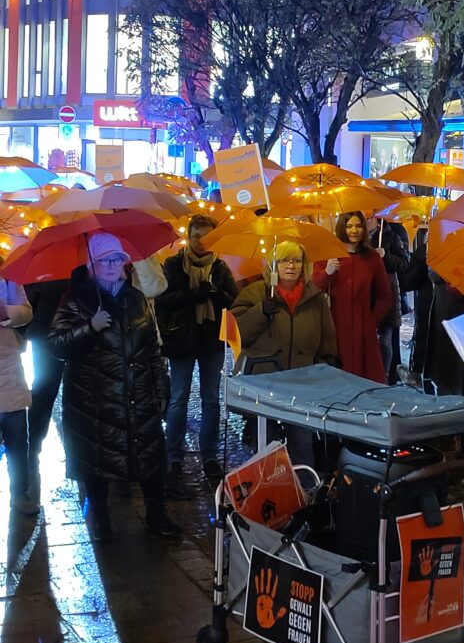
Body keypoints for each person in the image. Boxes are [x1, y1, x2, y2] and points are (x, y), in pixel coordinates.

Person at [48, 233, 178, 542]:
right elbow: (55, 344)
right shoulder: (76, 299)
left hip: (138, 393)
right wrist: (88, 327)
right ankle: (101, 519)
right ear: (92, 263)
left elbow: (152, 349)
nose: (111, 265)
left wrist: (161, 389)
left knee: (149, 457)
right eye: (104, 259)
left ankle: (156, 514)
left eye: (117, 259)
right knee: (96, 461)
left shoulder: (135, 298)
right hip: (94, 399)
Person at [231, 241, 338, 464]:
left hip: (302, 385)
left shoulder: (315, 297)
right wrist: (260, 312)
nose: (291, 266)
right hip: (264, 383)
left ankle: (304, 490)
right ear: (273, 264)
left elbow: (327, 339)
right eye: (284, 260)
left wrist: (325, 368)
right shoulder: (256, 292)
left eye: (297, 260)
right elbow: (236, 333)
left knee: (302, 442)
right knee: (266, 444)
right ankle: (268, 490)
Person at [156, 215, 237, 497]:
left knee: (211, 399)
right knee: (178, 398)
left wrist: (216, 296)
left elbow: (234, 301)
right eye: (196, 237)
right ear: (187, 238)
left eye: (207, 238)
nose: (201, 243)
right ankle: (174, 455)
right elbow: (163, 301)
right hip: (181, 340)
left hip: (211, 342)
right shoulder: (173, 265)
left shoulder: (220, 267)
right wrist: (193, 295)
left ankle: (210, 456)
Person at [313, 211, 392, 383]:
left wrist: (372, 319)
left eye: (358, 226)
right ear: (342, 228)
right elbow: (315, 287)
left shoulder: (372, 258)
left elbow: (385, 295)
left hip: (363, 327)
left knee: (365, 376)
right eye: (349, 226)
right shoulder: (328, 255)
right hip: (335, 325)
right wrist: (327, 272)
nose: (354, 231)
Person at [23, 278, 69, 501]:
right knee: (43, 394)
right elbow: (29, 301)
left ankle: (35, 450)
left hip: (75, 337)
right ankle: (33, 449)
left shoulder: (89, 265)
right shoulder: (45, 272)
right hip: (47, 338)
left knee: (49, 394)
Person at [0, 267, 39, 516]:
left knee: (17, 442)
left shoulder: (7, 276)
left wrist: (5, 312)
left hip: (8, 371)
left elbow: (26, 312)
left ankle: (20, 494)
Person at [366, 218, 409, 382]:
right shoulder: (361, 238)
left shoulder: (391, 235)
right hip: (366, 294)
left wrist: (385, 256)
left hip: (386, 295)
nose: (367, 220)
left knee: (384, 340)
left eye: (370, 217)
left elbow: (404, 263)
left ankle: (385, 377)